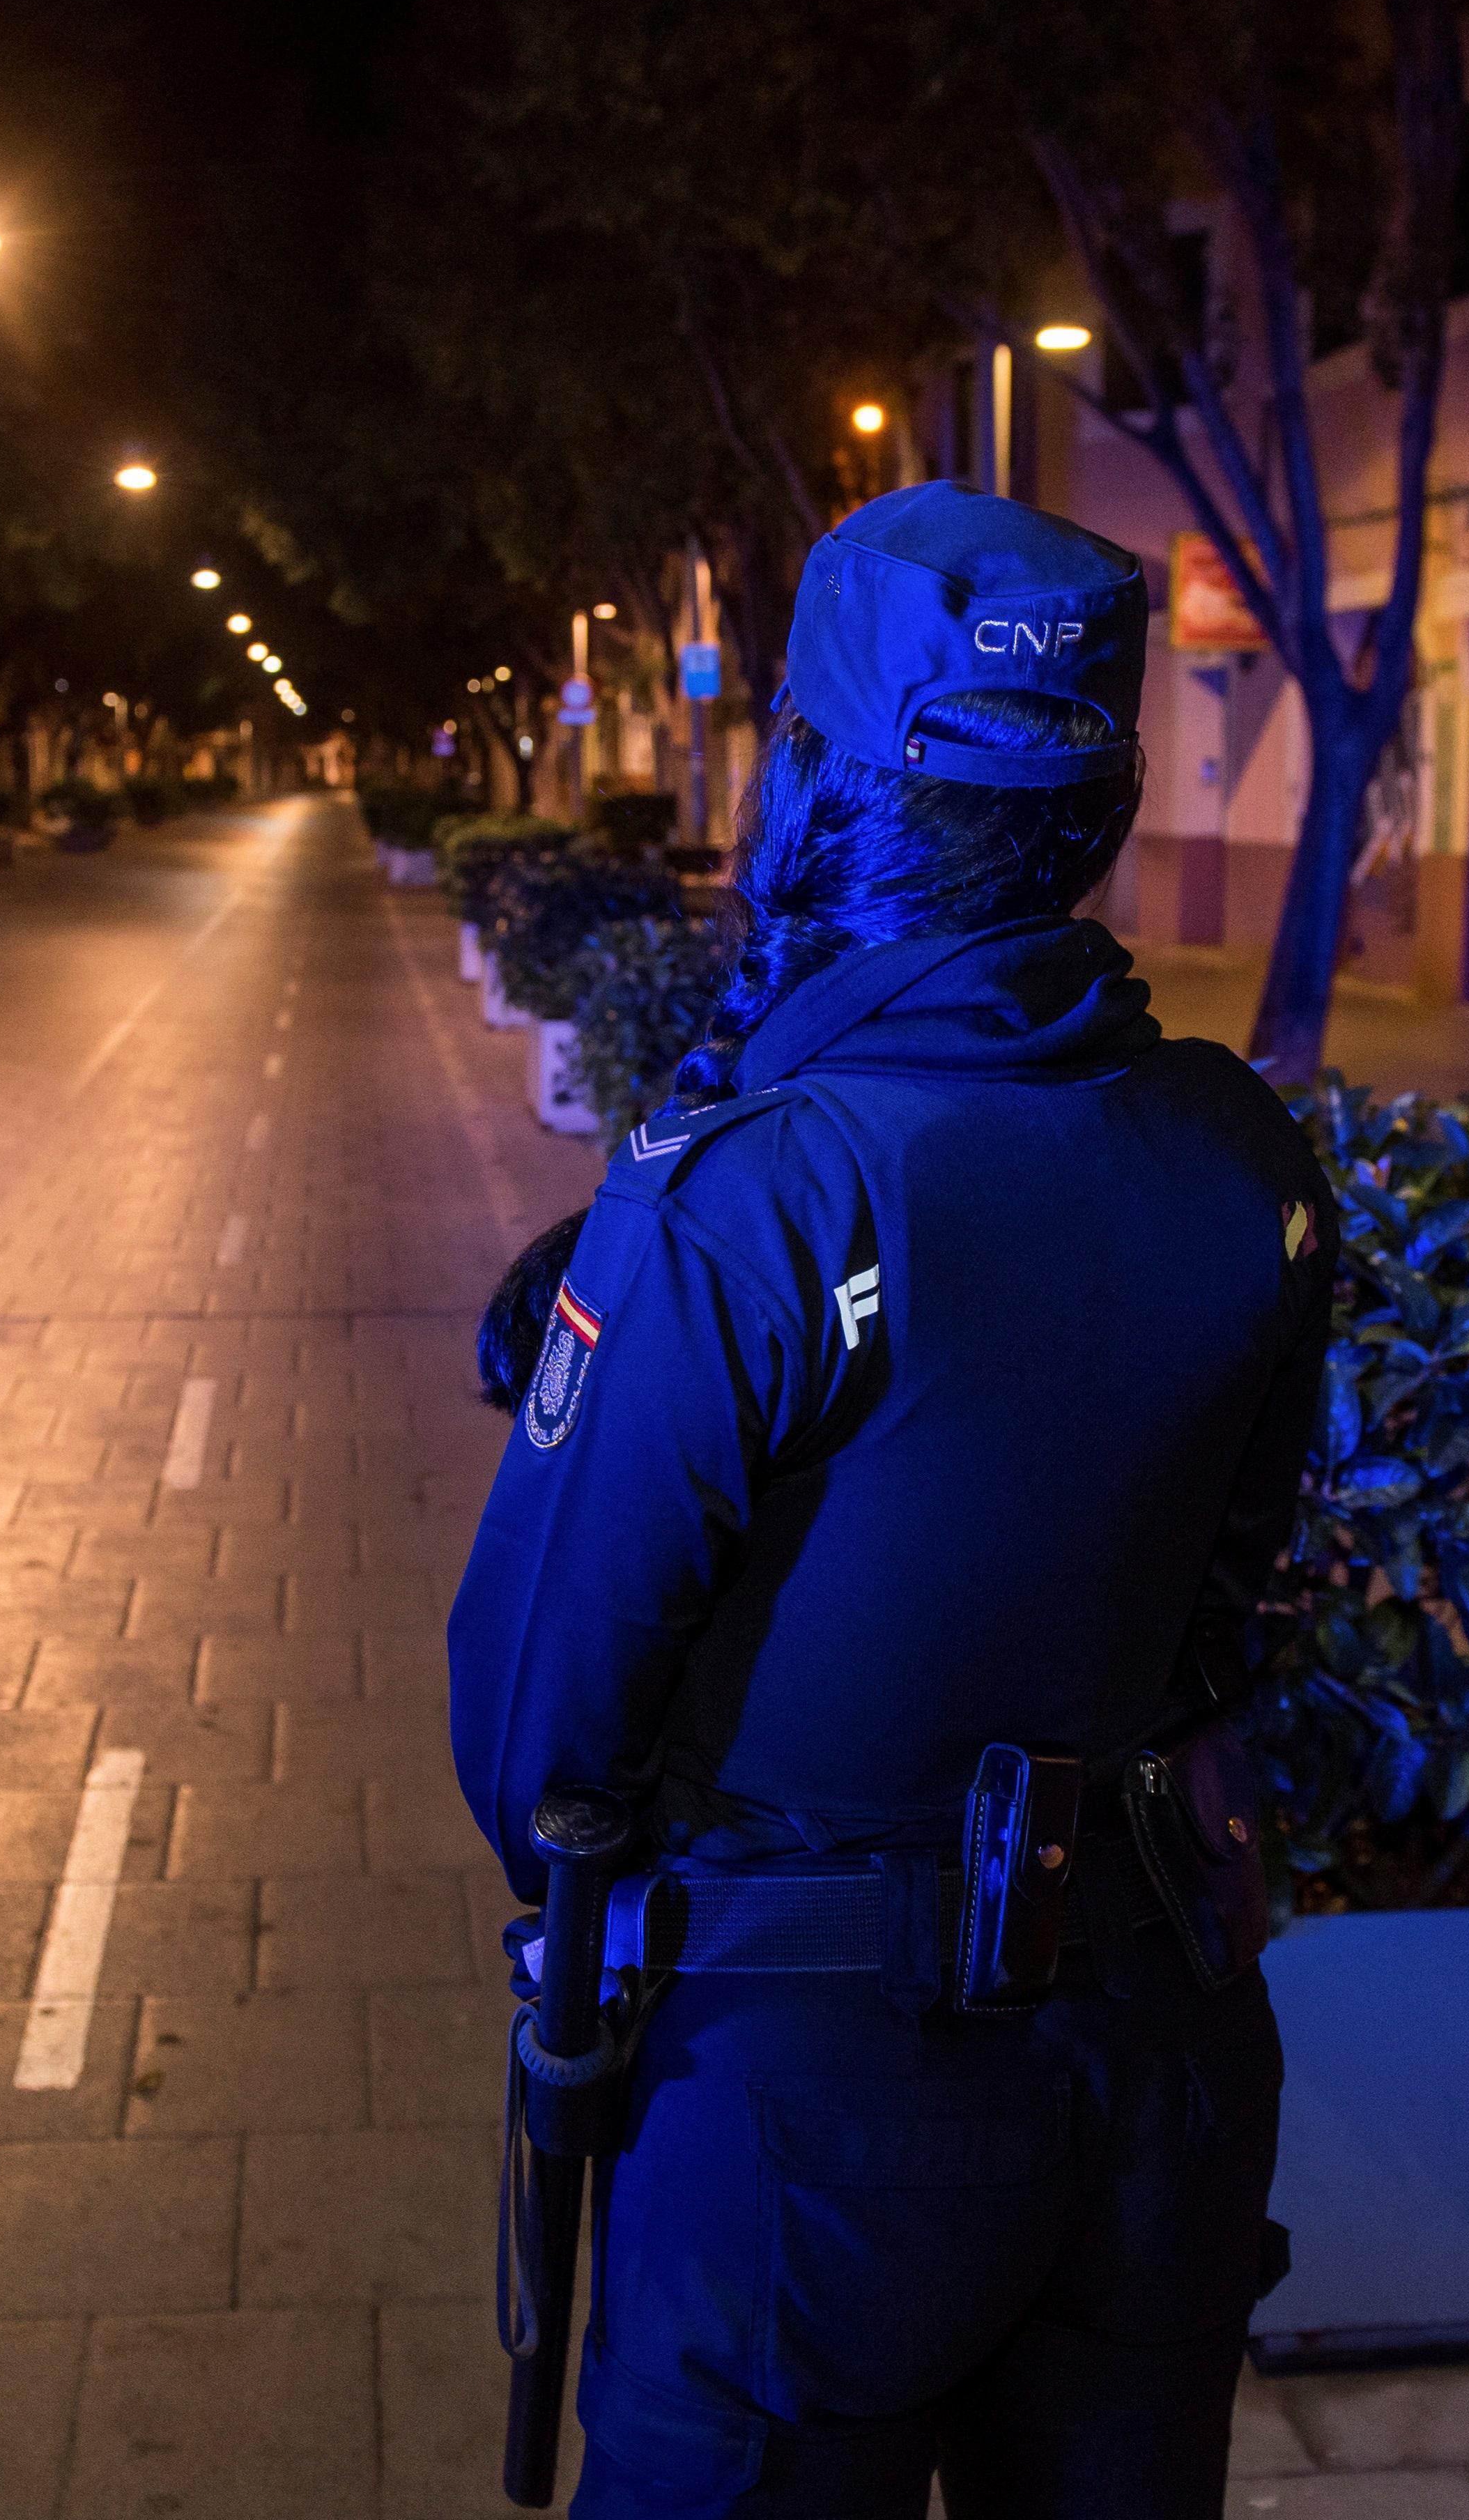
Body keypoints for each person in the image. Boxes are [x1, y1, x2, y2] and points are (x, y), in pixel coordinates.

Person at [449, 482, 1340, 2519]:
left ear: (820, 781)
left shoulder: (753, 1186)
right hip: (1161, 2073)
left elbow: (530, 1742)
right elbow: (1224, 1614)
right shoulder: (1239, 1150)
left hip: (810, 2113)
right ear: (1092, 800)